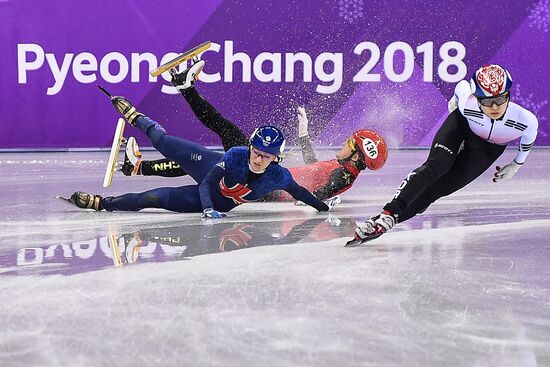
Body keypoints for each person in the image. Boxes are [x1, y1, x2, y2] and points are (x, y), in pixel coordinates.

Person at [118, 59, 388, 201]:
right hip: (267, 180)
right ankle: (138, 167)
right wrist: (304, 135)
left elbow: (322, 191)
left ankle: (185, 86)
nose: (344, 143)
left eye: (350, 144)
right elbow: (314, 170)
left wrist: (318, 201)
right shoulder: (343, 169)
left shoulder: (344, 176)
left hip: (265, 184)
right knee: (207, 160)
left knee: (223, 133)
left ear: (357, 157)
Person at [62, 95, 339, 217]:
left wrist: (323, 208)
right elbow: (207, 183)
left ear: (275, 159)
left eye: (265, 157)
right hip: (208, 175)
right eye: (256, 152)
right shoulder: (236, 155)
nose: (257, 159)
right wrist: (207, 208)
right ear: (251, 147)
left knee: (153, 198)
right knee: (164, 142)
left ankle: (101, 204)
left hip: (218, 202)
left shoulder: (280, 176)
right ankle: (137, 117)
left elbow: (301, 193)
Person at [351, 64, 539, 244]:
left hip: (488, 148)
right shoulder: (468, 104)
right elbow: (461, 86)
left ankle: (382, 222)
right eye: (488, 101)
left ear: (509, 95)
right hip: (461, 126)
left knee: (437, 190)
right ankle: (389, 212)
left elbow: (528, 139)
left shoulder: (526, 120)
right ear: (477, 99)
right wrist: (455, 101)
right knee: (437, 165)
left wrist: (516, 164)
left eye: (501, 98)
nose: (495, 107)